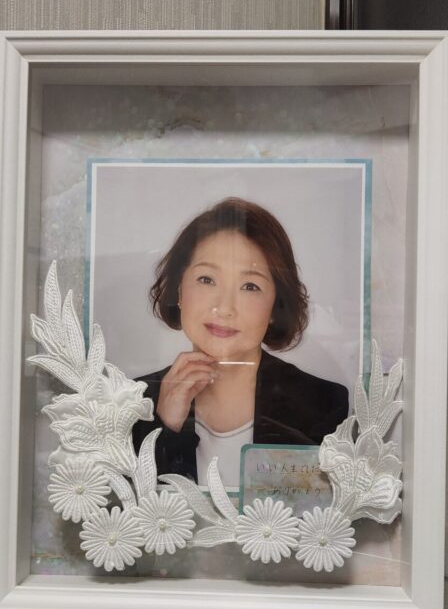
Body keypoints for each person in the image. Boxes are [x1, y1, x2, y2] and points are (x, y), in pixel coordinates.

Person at [133, 197, 349, 485]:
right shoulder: (131, 404)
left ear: (276, 307)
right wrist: (165, 427)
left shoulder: (322, 404)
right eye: (206, 279)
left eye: (250, 286)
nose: (224, 307)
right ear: (179, 290)